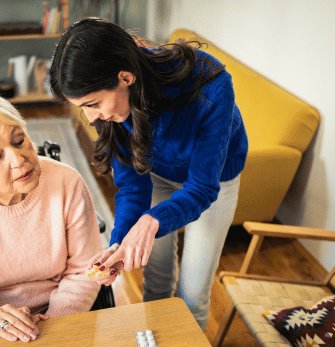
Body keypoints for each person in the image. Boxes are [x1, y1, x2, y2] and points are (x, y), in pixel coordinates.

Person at [49, 18, 248, 330]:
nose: (91, 117)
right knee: (155, 281)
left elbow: (201, 188)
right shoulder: (110, 108)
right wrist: (118, 241)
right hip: (157, 174)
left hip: (213, 181)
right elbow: (131, 188)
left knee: (193, 294)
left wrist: (153, 220)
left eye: (93, 104)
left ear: (125, 76)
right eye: (82, 108)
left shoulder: (211, 85)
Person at [0, 93, 102, 341]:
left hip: (61, 318)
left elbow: (85, 271)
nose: (18, 159)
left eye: (19, 140)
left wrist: (54, 322)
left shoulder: (67, 182)